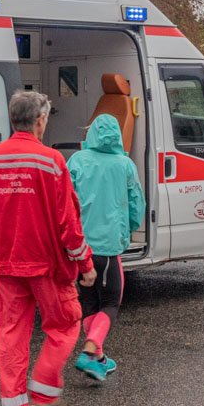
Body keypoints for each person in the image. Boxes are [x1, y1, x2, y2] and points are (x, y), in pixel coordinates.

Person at [0, 91, 97, 406]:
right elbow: (69, 222)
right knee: (66, 323)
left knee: (9, 334)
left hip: (5, 265)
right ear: (40, 121)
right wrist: (85, 263)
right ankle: (44, 390)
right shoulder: (52, 161)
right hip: (46, 266)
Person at [66, 114, 145, 381]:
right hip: (109, 247)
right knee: (111, 301)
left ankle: (99, 359)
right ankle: (90, 351)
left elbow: (65, 201)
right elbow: (136, 205)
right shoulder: (125, 164)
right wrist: (130, 228)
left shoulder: (76, 161)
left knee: (89, 303)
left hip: (80, 248)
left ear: (92, 134)